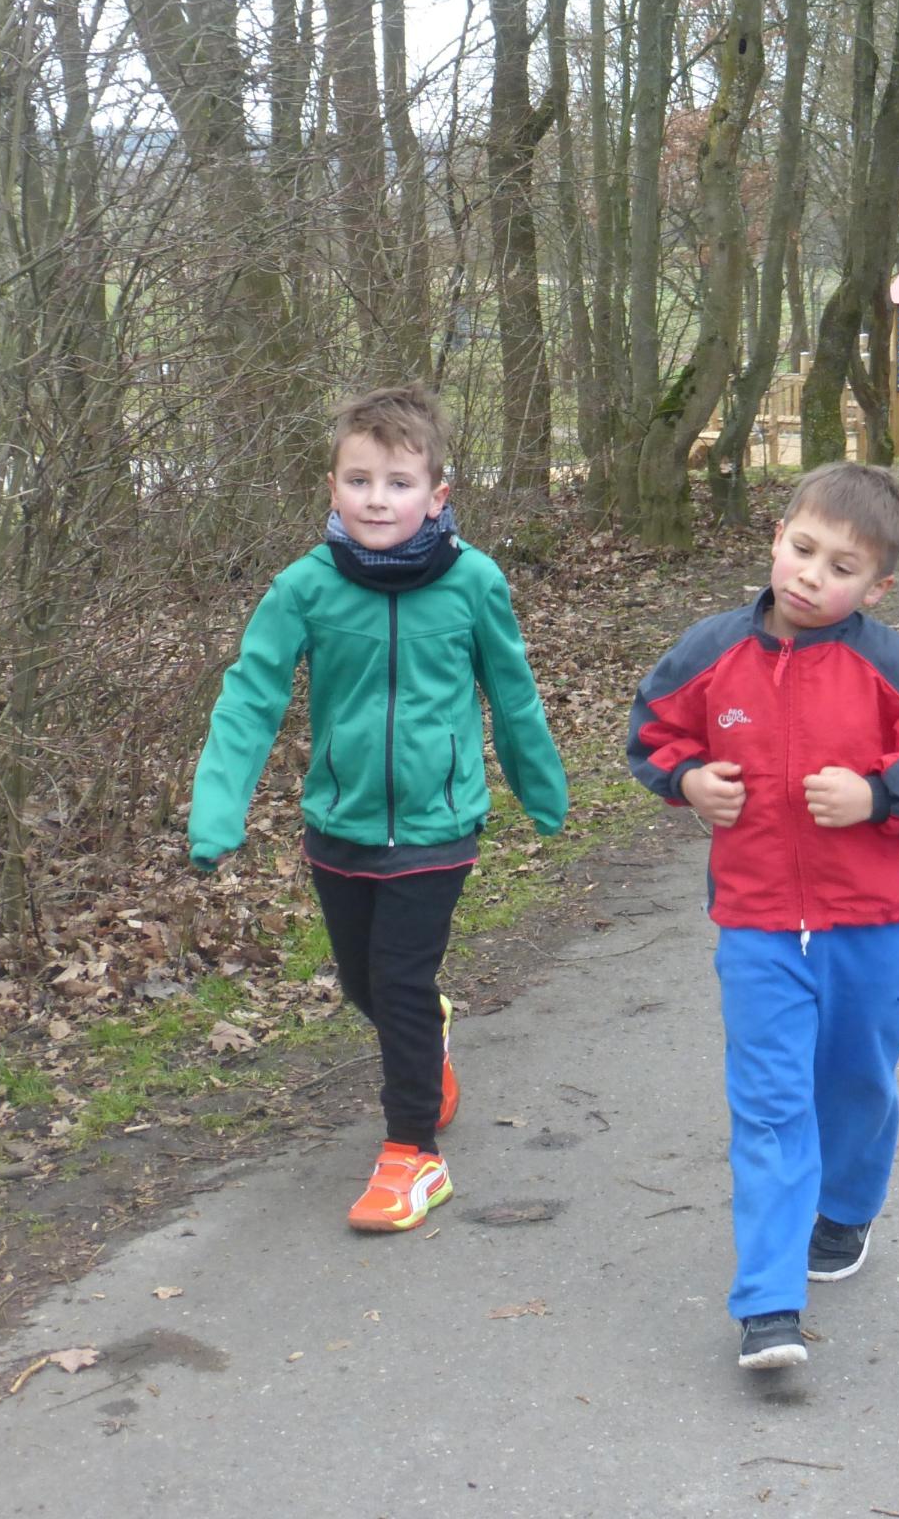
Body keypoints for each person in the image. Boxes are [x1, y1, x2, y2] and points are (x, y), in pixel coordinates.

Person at [627, 463, 899, 1372]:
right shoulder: (713, 651)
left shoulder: (893, 666)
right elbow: (652, 731)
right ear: (777, 535)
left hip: (873, 924)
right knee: (772, 1107)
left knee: (856, 1087)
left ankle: (848, 1210)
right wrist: (687, 780)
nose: (811, 577)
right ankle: (768, 1306)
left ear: (877, 585)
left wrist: (877, 797)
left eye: (841, 568)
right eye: (801, 549)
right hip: (755, 926)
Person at [189, 387, 567, 1233]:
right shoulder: (304, 588)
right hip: (340, 821)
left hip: (438, 826)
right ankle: (425, 1043)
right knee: (365, 981)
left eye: (398, 483)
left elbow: (512, 695)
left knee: (398, 977)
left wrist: (539, 790)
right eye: (359, 480)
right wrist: (219, 813)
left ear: (436, 495)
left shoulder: (473, 583)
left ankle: (412, 1156)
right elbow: (249, 702)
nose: (376, 499)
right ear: (332, 488)